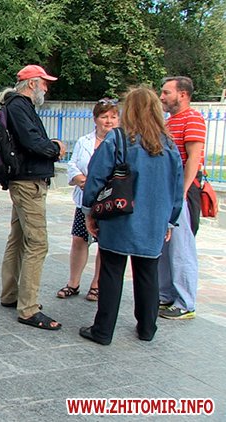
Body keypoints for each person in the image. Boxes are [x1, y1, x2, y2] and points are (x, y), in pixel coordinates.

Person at [79, 86, 183, 345]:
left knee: (111, 272)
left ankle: (103, 331)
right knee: (148, 273)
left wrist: (89, 210)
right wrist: (171, 220)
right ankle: (147, 328)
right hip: (154, 220)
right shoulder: (168, 144)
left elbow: (96, 176)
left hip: (120, 216)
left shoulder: (118, 139)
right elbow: (176, 188)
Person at [0, 64, 66, 330]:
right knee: (38, 244)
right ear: (32, 84)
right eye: (44, 83)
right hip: (28, 184)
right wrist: (55, 148)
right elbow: (32, 143)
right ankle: (28, 309)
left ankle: (10, 294)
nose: (46, 89)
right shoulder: (19, 106)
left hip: (23, 181)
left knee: (17, 239)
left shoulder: (17, 105)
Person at [56, 99, 119, 301]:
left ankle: (97, 284)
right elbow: (73, 164)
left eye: (113, 117)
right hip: (85, 200)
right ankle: (73, 283)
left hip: (109, 201)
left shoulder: (122, 142)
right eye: (104, 116)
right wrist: (82, 180)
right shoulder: (84, 141)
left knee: (105, 243)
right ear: (95, 119)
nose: (109, 121)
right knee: (79, 239)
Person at [157, 76, 205, 320]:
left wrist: (182, 192)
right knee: (166, 246)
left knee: (181, 247)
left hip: (182, 190)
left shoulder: (192, 118)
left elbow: (193, 159)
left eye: (167, 92)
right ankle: (166, 295)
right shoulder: (170, 121)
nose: (162, 97)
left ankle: (186, 303)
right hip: (169, 190)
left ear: (183, 95)